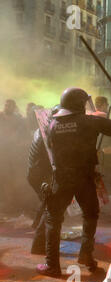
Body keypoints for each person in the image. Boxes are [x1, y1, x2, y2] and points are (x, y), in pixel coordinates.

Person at [36, 87, 111, 277]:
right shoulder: (89, 121)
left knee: (54, 219)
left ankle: (51, 265)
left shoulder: (52, 123)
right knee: (91, 214)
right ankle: (86, 254)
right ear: (80, 104)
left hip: (60, 178)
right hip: (84, 177)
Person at [28, 106, 61, 254]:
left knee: (47, 205)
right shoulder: (49, 132)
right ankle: (39, 245)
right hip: (41, 175)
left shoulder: (42, 129)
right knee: (51, 208)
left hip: (36, 173)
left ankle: (38, 236)